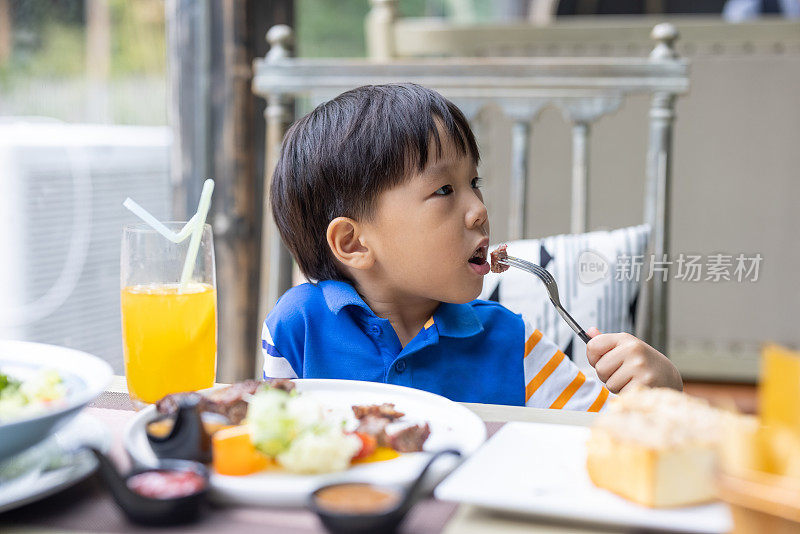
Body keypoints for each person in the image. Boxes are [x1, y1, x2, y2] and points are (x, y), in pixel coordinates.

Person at [261, 83, 682, 411]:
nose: (479, 210)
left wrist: (662, 393)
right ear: (353, 243)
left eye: (474, 184)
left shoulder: (513, 344)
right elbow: (273, 442)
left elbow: (597, 436)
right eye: (444, 189)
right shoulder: (297, 328)